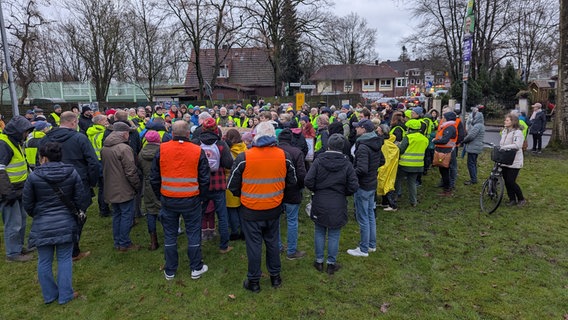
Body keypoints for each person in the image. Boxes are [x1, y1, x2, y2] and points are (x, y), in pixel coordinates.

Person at [228, 121, 297, 293]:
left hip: (251, 210)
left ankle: (254, 281)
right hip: (273, 208)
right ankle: (275, 277)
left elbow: (232, 185)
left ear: (255, 136)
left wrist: (243, 196)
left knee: (254, 246)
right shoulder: (284, 156)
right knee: (273, 243)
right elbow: (292, 182)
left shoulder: (244, 157)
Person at [23, 142, 87, 304]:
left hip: (42, 222)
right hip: (66, 221)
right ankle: (65, 294)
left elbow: (28, 203)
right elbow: (80, 197)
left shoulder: (33, 176)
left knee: (44, 260)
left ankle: (50, 295)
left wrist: (37, 214)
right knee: (64, 258)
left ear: (43, 158)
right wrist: (77, 211)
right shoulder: (72, 173)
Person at [150, 120, 210, 281]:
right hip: (191, 199)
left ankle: (170, 270)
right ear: (188, 133)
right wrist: (202, 198)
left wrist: (160, 195)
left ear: (172, 133)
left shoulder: (161, 149)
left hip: (169, 199)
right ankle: (195, 267)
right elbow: (205, 178)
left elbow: (154, 177)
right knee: (193, 233)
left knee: (170, 234)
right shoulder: (197, 151)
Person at [40, 111, 98, 261]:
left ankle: (62, 246)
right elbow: (92, 161)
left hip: (52, 184)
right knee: (78, 215)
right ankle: (72, 250)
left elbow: (39, 161)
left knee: (58, 215)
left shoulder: (46, 139)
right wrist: (92, 182)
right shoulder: (80, 138)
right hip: (77, 182)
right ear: (73, 122)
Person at [305, 134, 358, 274]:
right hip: (336, 201)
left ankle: (321, 261)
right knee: (333, 233)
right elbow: (353, 186)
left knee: (320, 231)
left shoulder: (321, 161)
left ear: (328, 146)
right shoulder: (345, 163)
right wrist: (342, 192)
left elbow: (309, 181)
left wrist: (319, 189)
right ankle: (328, 263)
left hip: (324, 200)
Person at [192, 117, 234, 253]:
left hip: (201, 184)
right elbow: (228, 163)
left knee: (198, 215)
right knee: (222, 216)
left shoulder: (195, 143)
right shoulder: (221, 144)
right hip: (218, 184)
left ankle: (196, 244)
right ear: (216, 129)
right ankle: (224, 246)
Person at [101, 122, 142, 251]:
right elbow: (131, 171)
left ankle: (117, 241)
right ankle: (124, 243)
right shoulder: (124, 149)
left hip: (110, 186)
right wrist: (137, 186)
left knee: (117, 214)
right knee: (126, 215)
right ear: (124, 134)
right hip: (123, 187)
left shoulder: (105, 147)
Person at [347, 119, 384, 257]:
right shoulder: (376, 142)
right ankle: (371, 245)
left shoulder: (362, 146)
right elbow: (382, 160)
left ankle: (363, 249)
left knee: (363, 217)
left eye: (358, 127)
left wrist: (351, 175)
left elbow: (361, 169)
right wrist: (373, 170)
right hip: (372, 184)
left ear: (364, 129)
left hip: (363, 186)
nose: (356, 129)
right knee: (370, 216)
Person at [0, 116, 35, 262]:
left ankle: (19, 247)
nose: (27, 135)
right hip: (9, 191)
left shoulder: (16, 143)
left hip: (19, 189)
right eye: (25, 132)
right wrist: (7, 193)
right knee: (13, 223)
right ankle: (13, 253)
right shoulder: (4, 144)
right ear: (17, 132)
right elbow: (0, 171)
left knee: (21, 220)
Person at [277, 128, 307, 260]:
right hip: (292, 190)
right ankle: (291, 250)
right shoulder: (296, 152)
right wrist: (300, 188)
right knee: (292, 220)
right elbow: (301, 175)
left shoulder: (273, 152)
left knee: (276, 220)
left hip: (276, 190)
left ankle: (277, 246)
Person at [395, 119, 429, 207]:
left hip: (404, 164)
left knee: (398, 179)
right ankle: (413, 201)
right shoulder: (424, 139)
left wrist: (397, 145)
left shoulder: (408, 137)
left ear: (410, 128)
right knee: (412, 182)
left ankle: (395, 197)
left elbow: (401, 149)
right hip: (418, 165)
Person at [138, 130, 162, 250]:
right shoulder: (162, 151)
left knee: (150, 210)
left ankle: (153, 241)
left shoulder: (141, 153)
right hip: (161, 182)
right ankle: (170, 235)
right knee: (164, 209)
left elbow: (140, 168)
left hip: (148, 184)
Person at [223, 129, 248, 241]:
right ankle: (244, 231)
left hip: (230, 180)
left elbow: (226, 165)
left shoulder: (228, 150)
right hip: (244, 181)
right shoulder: (245, 148)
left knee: (232, 209)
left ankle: (234, 232)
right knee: (242, 209)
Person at [86, 115, 111, 217]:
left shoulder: (91, 131)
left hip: (96, 161)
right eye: (105, 119)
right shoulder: (101, 133)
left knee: (102, 187)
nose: (107, 121)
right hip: (102, 161)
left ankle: (103, 207)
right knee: (105, 187)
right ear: (100, 121)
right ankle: (104, 209)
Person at [500, 113, 526, 206]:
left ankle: (521, 198)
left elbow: (517, 145)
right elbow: (502, 143)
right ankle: (512, 199)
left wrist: (505, 147)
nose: (505, 122)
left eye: (507, 120)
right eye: (505, 120)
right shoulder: (504, 131)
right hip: (505, 159)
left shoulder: (518, 133)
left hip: (515, 161)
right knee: (506, 181)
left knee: (511, 181)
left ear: (513, 122)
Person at [432, 112, 458, 196]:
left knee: (445, 170)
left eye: (444, 117)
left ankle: (447, 189)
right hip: (443, 151)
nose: (442, 118)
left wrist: (434, 141)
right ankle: (446, 187)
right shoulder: (446, 127)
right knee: (443, 170)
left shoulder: (449, 128)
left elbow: (444, 140)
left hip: (446, 152)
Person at [376, 124, 399, 211]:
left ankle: (392, 205)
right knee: (384, 183)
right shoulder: (389, 142)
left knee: (387, 184)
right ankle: (385, 203)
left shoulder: (385, 143)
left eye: (378, 131)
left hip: (386, 166)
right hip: (387, 166)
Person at [462, 107, 485, 185]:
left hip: (473, 147)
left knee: (471, 163)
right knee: (473, 163)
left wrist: (464, 140)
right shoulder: (481, 125)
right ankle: (474, 178)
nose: (473, 118)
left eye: (474, 117)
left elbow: (471, 136)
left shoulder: (477, 126)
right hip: (476, 147)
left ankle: (473, 179)